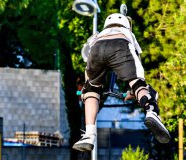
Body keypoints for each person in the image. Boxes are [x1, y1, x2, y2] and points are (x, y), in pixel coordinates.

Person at [73, 13, 171, 152]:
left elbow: (87, 63)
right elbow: (137, 70)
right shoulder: (128, 33)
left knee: (91, 90)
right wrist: (134, 91)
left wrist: (87, 88)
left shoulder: (98, 35)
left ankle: (89, 135)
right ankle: (151, 111)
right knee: (140, 85)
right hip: (120, 44)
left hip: (96, 49)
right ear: (126, 24)